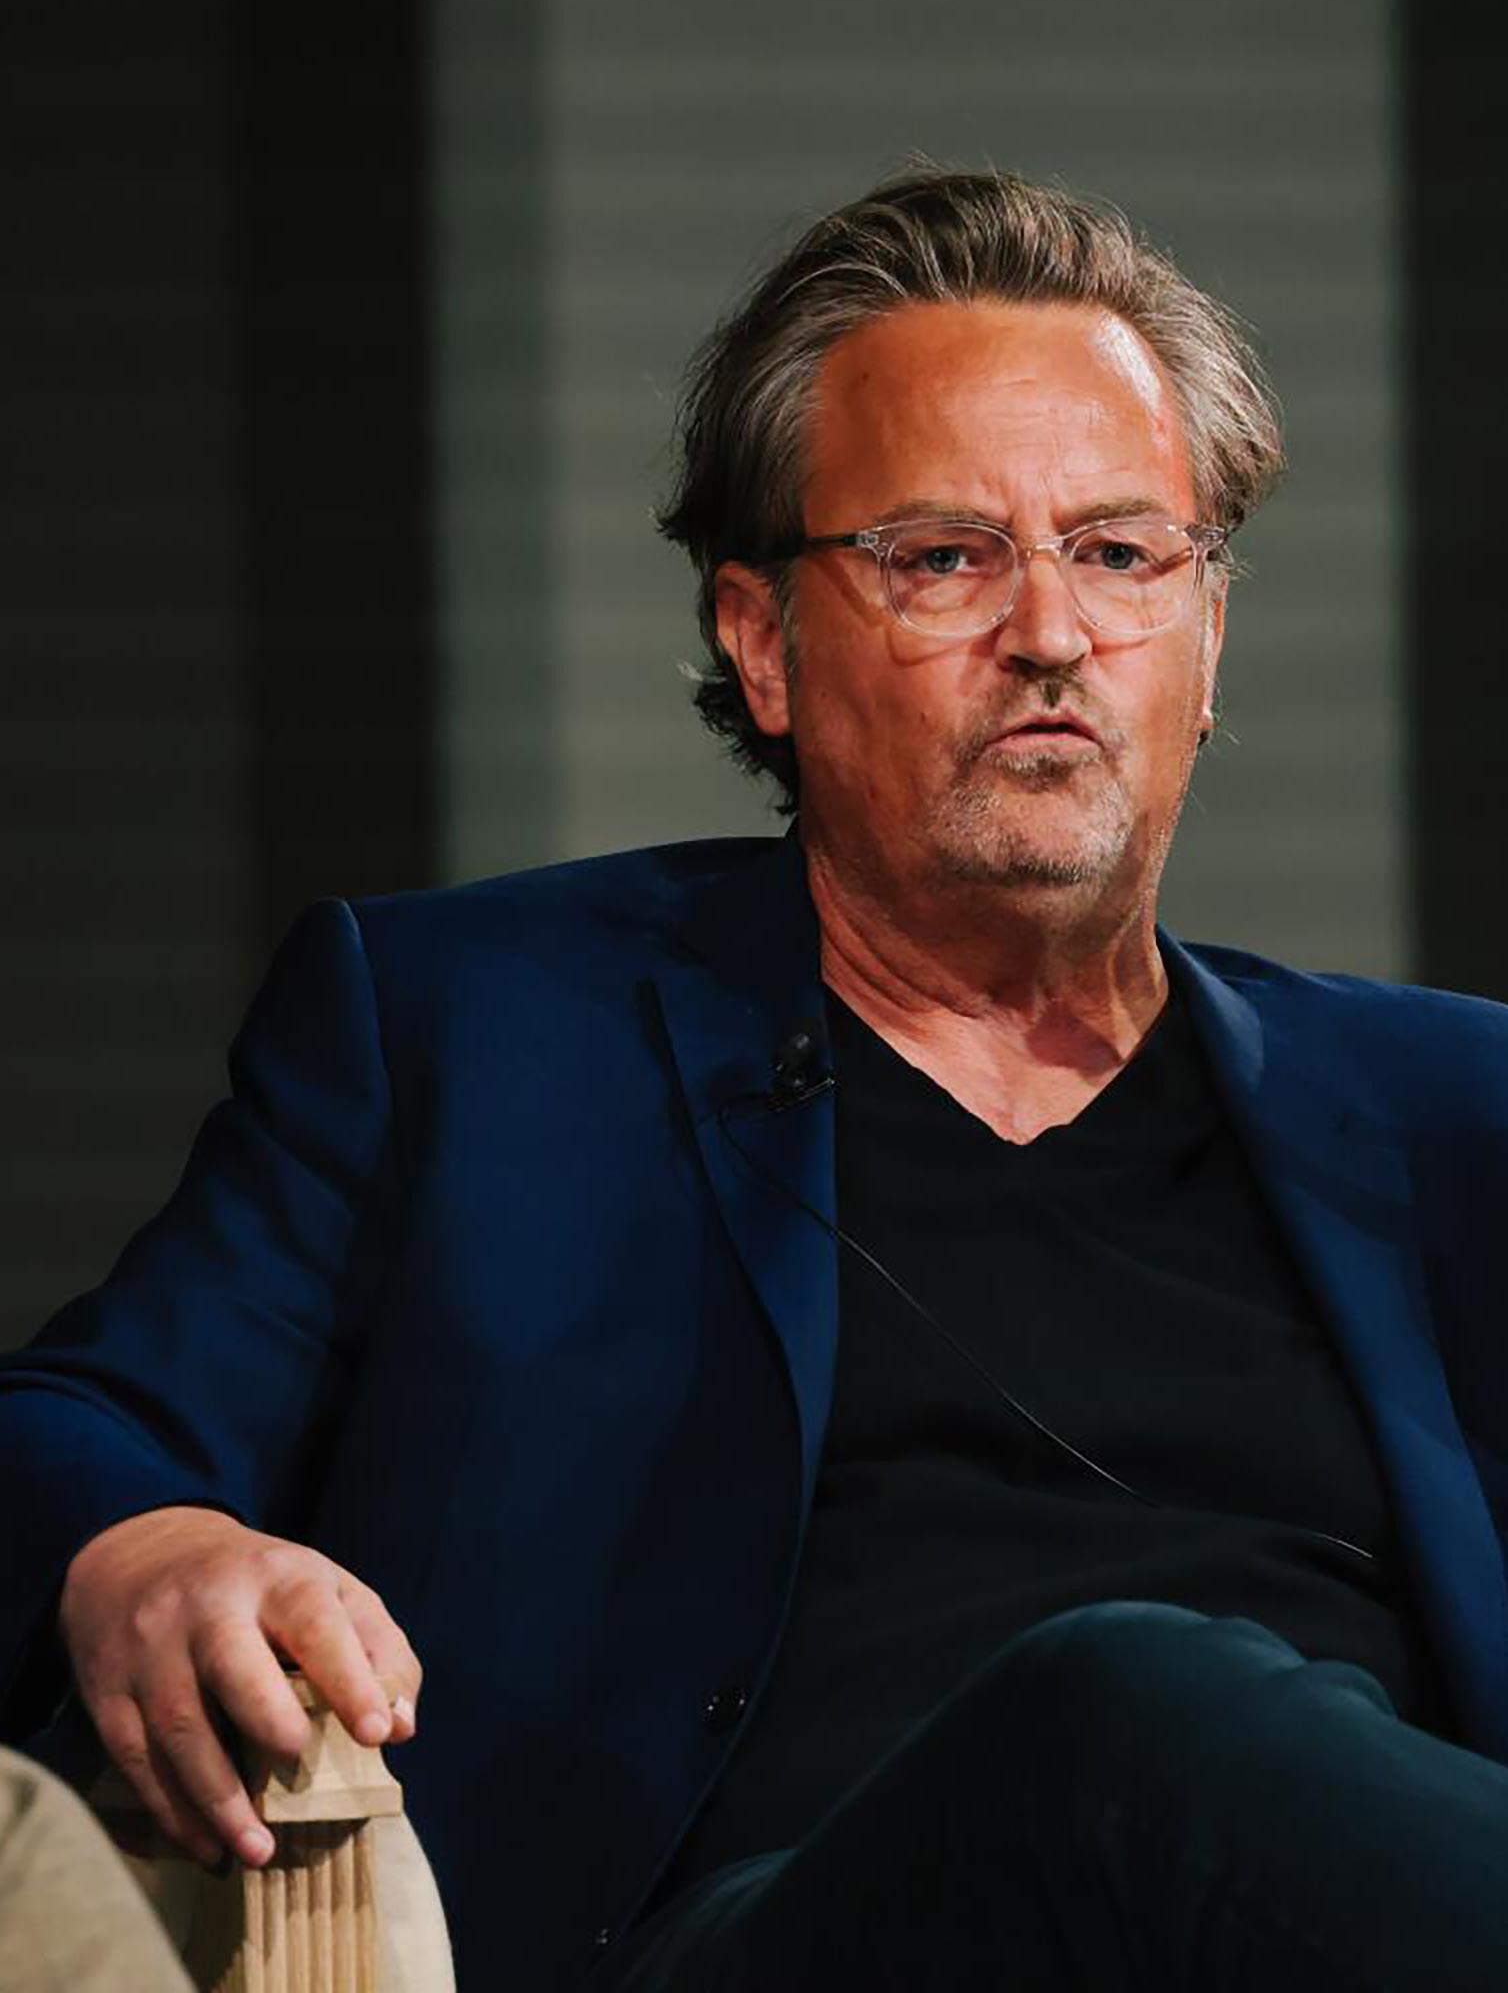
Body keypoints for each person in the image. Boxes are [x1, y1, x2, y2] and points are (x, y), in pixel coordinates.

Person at [3, 166, 1508, 1990]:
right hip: (748, 1941)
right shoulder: (472, 1035)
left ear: (1207, 642)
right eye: (945, 558)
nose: (1051, 631)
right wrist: (143, 1550)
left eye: (1122, 555)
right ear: (762, 644)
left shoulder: (1450, 1117)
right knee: (1130, 1708)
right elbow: (65, 1427)